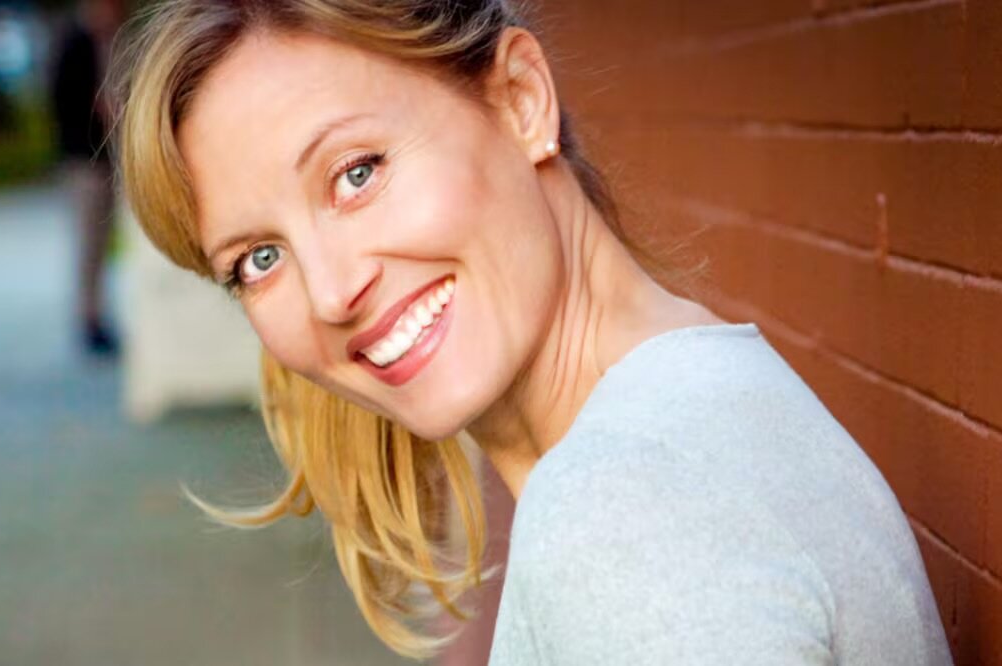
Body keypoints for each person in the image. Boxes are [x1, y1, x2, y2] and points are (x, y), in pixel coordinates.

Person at [110, 1, 954, 664]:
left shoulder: (625, 510)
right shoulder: (690, 410)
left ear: (520, 99)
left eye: (357, 173)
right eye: (258, 259)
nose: (331, 292)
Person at [52, 0, 123, 355]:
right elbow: (63, 101)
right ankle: (89, 317)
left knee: (105, 242)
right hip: (85, 160)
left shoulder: (113, 40)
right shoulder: (74, 43)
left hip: (111, 158)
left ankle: (99, 314)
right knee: (89, 243)